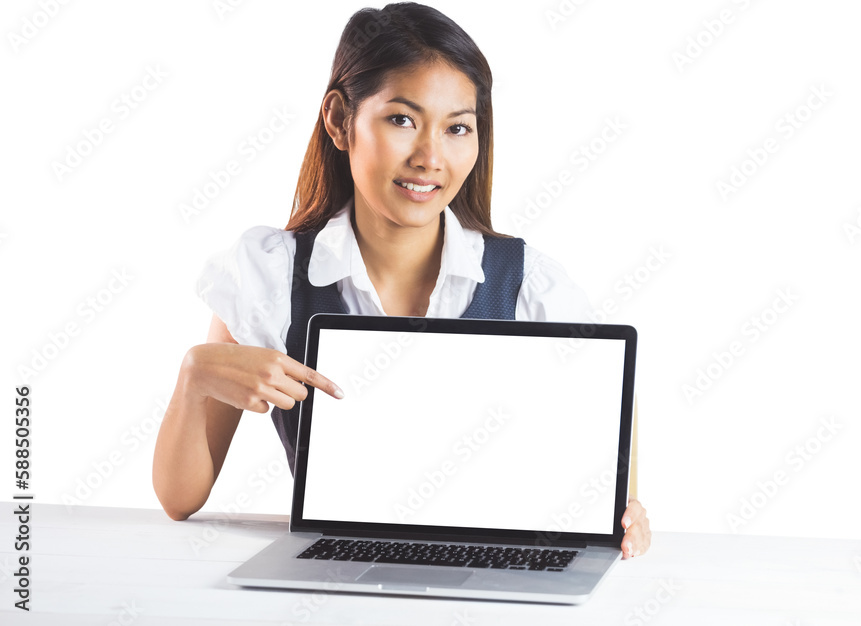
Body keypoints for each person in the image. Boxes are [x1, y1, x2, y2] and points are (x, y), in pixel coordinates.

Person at [152, 1, 650, 559]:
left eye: (458, 128)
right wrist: (195, 374)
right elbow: (180, 499)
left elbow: (608, 421)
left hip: (497, 578)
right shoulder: (268, 274)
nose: (430, 157)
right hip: (333, 583)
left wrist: (628, 509)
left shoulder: (526, 281)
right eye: (401, 120)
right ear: (340, 120)